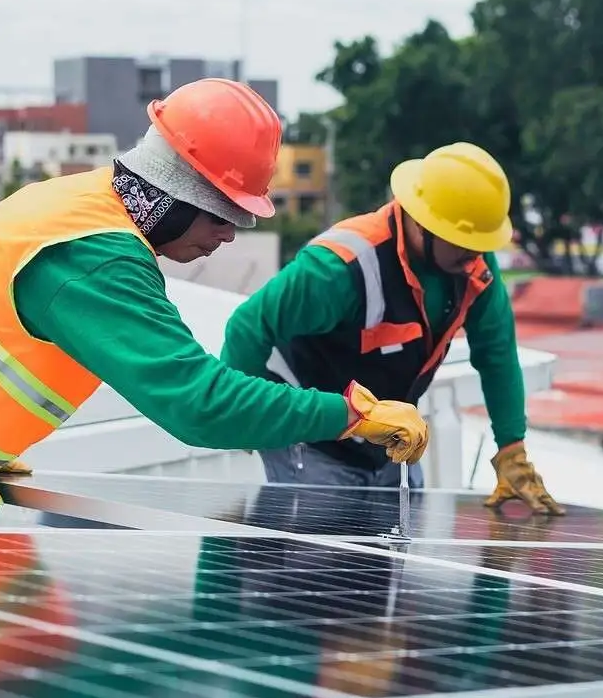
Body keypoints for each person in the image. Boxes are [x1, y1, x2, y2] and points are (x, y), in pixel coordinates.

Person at [0, 78, 428, 526]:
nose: (230, 233)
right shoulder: (97, 257)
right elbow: (198, 406)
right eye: (224, 213)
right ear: (179, 191)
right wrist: (349, 413)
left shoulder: (77, 201)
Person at [220, 141, 564, 516]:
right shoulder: (341, 267)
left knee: (390, 559)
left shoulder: (473, 269)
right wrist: (244, 417)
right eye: (464, 242)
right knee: (321, 561)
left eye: (480, 245)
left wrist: (512, 449)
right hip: (314, 441)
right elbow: (248, 326)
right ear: (422, 223)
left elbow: (497, 355)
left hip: (391, 439)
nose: (475, 255)